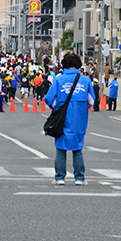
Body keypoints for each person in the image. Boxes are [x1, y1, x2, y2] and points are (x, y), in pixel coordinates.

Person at [45, 52, 95, 186]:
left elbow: (49, 99)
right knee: (77, 149)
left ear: (64, 65)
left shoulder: (58, 80)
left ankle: (59, 177)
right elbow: (91, 101)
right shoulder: (85, 80)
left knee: (61, 149)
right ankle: (79, 178)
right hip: (79, 119)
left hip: (62, 119)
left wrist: (58, 107)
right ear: (78, 64)